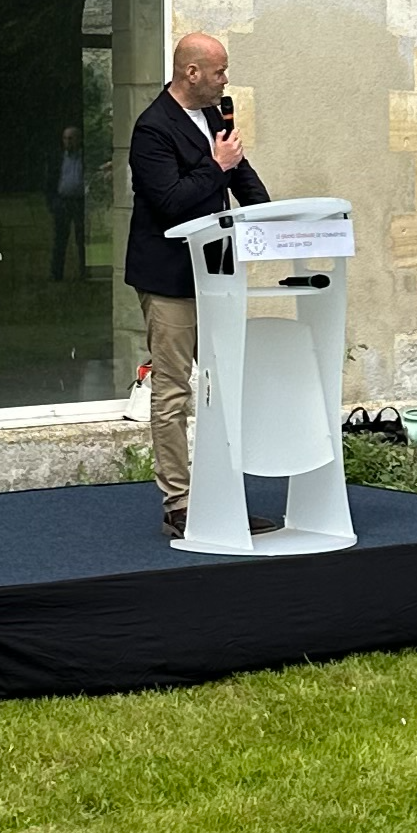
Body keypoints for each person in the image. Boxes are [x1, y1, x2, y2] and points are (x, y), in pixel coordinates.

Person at [124, 34, 271, 538]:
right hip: (169, 278)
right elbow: (170, 201)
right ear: (191, 73)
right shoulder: (152, 129)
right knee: (173, 391)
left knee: (222, 387)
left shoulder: (215, 116)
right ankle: (180, 503)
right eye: (219, 72)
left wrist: (268, 218)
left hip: (218, 270)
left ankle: (222, 495)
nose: (225, 80)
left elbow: (241, 175)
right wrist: (218, 166)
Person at [47, 124, 88, 282]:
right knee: (60, 240)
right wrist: (52, 203)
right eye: (65, 139)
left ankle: (84, 272)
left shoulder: (84, 157)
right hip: (62, 201)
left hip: (79, 202)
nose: (67, 142)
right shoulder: (57, 158)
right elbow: (50, 182)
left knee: (81, 239)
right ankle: (56, 274)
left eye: (71, 139)